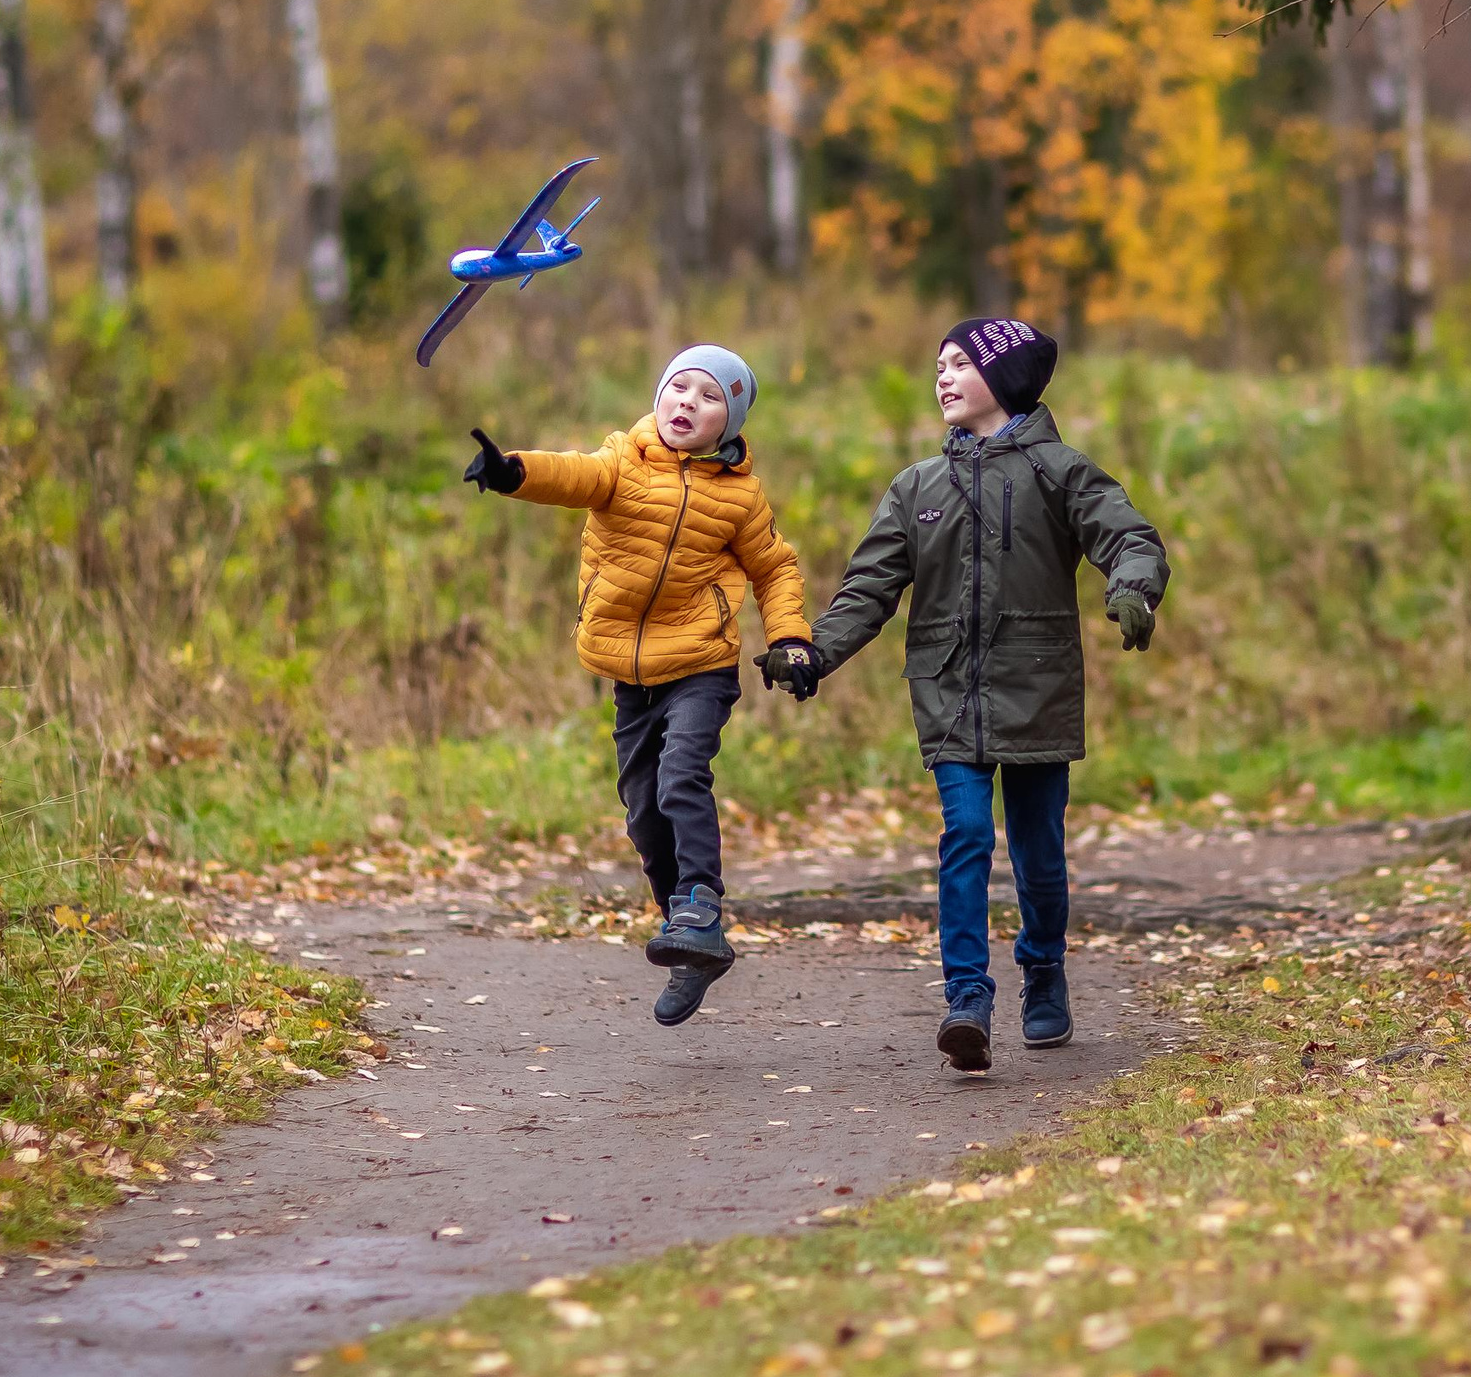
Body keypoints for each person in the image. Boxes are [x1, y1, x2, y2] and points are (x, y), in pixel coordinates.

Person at [770, 318, 1168, 1071]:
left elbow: (1129, 537)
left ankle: (1043, 968)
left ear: (1006, 378)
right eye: (939, 364)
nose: (943, 377)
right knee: (966, 836)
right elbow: (870, 586)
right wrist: (815, 651)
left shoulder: (1061, 471)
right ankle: (967, 998)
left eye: (960, 363)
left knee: (1039, 854)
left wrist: (1133, 588)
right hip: (947, 688)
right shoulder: (918, 486)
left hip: (1038, 686)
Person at [462, 344, 816, 1026]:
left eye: (709, 396)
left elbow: (775, 569)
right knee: (643, 812)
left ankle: (702, 902)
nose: (688, 402)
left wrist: (791, 638)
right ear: (658, 397)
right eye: (678, 387)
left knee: (681, 775)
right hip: (629, 672)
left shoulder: (740, 496)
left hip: (700, 663)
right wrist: (515, 472)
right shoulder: (624, 460)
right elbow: (573, 476)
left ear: (732, 419)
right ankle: (688, 937)